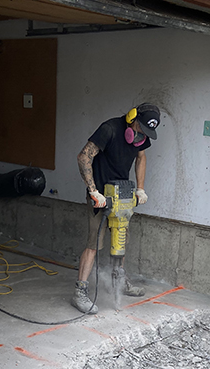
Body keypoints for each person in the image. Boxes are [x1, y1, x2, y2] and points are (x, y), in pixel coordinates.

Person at [71, 103, 161, 314]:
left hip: (122, 194)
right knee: (94, 243)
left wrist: (140, 189)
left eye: (147, 132)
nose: (142, 135)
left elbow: (141, 157)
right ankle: (80, 292)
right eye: (141, 128)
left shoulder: (141, 137)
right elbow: (84, 156)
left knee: (121, 239)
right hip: (101, 196)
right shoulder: (109, 129)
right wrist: (93, 191)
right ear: (132, 118)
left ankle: (119, 280)